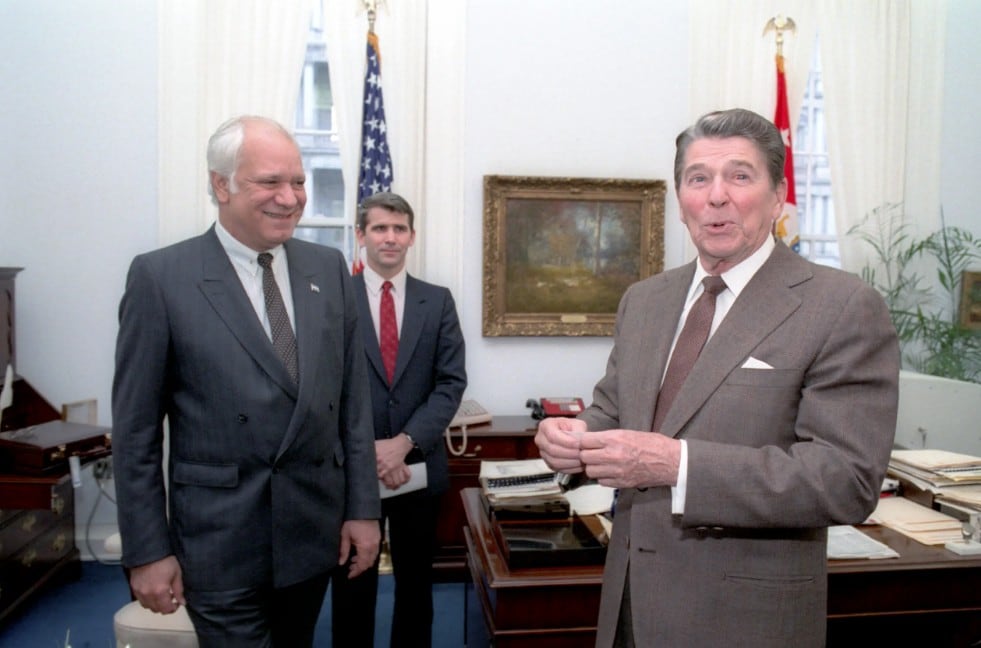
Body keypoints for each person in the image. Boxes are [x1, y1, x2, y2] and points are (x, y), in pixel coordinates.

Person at [535, 108, 899, 648]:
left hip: (744, 621)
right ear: (681, 198)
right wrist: (573, 434)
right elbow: (614, 408)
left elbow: (845, 480)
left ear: (778, 197)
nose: (717, 196)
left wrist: (677, 465)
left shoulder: (841, 306)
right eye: (698, 178)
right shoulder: (645, 300)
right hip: (630, 608)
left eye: (740, 176)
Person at [112, 115, 381, 647]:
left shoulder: (328, 269)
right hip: (219, 540)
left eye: (298, 181)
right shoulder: (161, 278)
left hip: (311, 533)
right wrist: (147, 550)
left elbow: (353, 406)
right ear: (221, 184)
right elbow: (136, 432)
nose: (290, 198)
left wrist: (363, 510)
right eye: (270, 182)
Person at [331, 191, 467, 648]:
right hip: (353, 472)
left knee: (416, 589)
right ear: (361, 235)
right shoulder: (335, 298)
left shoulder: (437, 301)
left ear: (411, 236)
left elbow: (450, 383)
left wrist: (403, 442)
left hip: (418, 468)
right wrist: (369, 451)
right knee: (353, 583)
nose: (389, 238)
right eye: (379, 228)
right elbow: (324, 387)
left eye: (399, 229)